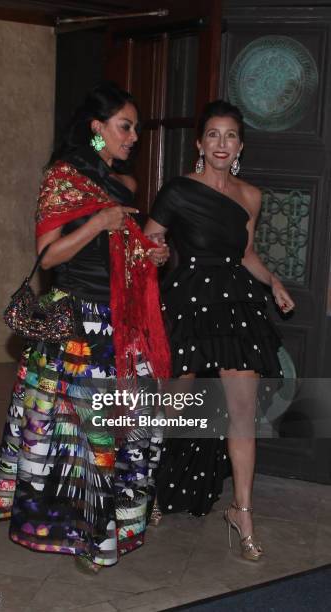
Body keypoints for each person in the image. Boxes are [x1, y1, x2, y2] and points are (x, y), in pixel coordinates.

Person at [0, 82, 170, 572]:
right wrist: (99, 222)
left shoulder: (123, 186)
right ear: (96, 128)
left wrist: (150, 254)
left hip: (120, 325)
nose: (133, 137)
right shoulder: (62, 178)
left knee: (119, 434)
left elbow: (121, 253)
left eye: (135, 128)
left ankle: (106, 531)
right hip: (77, 325)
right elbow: (47, 254)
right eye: (125, 126)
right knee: (78, 440)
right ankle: (77, 535)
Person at [144, 99, 295, 561]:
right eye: (213, 135)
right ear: (199, 143)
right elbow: (149, 240)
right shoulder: (177, 191)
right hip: (188, 303)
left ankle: (242, 511)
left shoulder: (250, 195)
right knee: (174, 407)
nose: (222, 144)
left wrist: (273, 281)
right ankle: (147, 489)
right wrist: (156, 254)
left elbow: (245, 254)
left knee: (242, 412)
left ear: (240, 145)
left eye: (230, 136)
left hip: (234, 305)